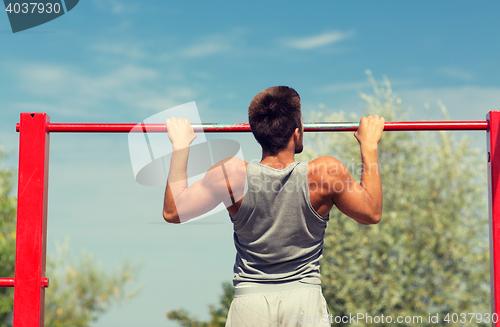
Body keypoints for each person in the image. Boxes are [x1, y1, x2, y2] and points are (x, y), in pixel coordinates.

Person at [162, 86, 384, 327]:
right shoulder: (325, 174)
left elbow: (173, 212)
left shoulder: (232, 175)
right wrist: (369, 146)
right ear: (297, 133)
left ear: (258, 133)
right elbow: (371, 212)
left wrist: (180, 146)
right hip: (304, 302)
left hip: (250, 303)